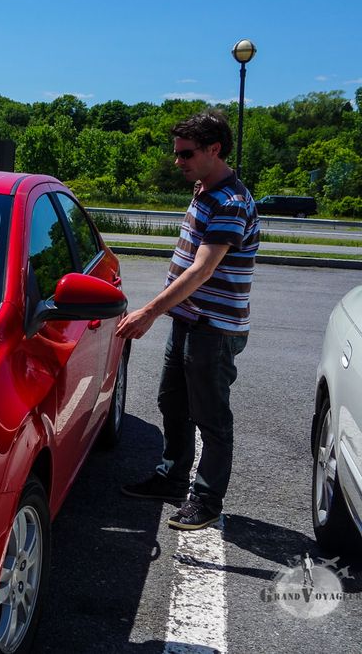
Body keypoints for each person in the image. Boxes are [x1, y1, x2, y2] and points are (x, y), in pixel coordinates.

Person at [117, 110, 259, 531]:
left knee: (212, 418)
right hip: (188, 321)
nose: (178, 160)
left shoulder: (231, 202)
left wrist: (147, 312)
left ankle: (207, 500)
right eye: (177, 152)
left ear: (215, 150)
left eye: (187, 153)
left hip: (213, 329)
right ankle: (172, 477)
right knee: (172, 402)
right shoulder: (204, 187)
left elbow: (201, 271)